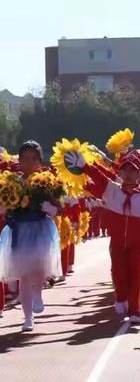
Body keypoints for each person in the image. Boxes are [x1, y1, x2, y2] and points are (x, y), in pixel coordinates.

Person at [65, 151, 140, 325]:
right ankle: (121, 297)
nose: (128, 175)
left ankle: (135, 311)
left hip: (137, 245)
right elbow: (99, 177)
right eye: (125, 171)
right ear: (120, 173)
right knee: (118, 273)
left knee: (136, 277)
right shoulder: (113, 190)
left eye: (133, 171)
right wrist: (84, 166)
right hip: (117, 243)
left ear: (139, 174)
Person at [0, 141, 62, 331]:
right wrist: (7, 207)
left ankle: (39, 294)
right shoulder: (13, 182)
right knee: (24, 277)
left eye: (32, 159)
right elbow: (4, 204)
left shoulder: (47, 181)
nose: (27, 163)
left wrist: (49, 208)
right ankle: (28, 318)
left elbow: (58, 207)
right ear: (18, 161)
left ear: (40, 162)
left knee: (40, 263)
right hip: (19, 230)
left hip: (41, 228)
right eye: (24, 159)